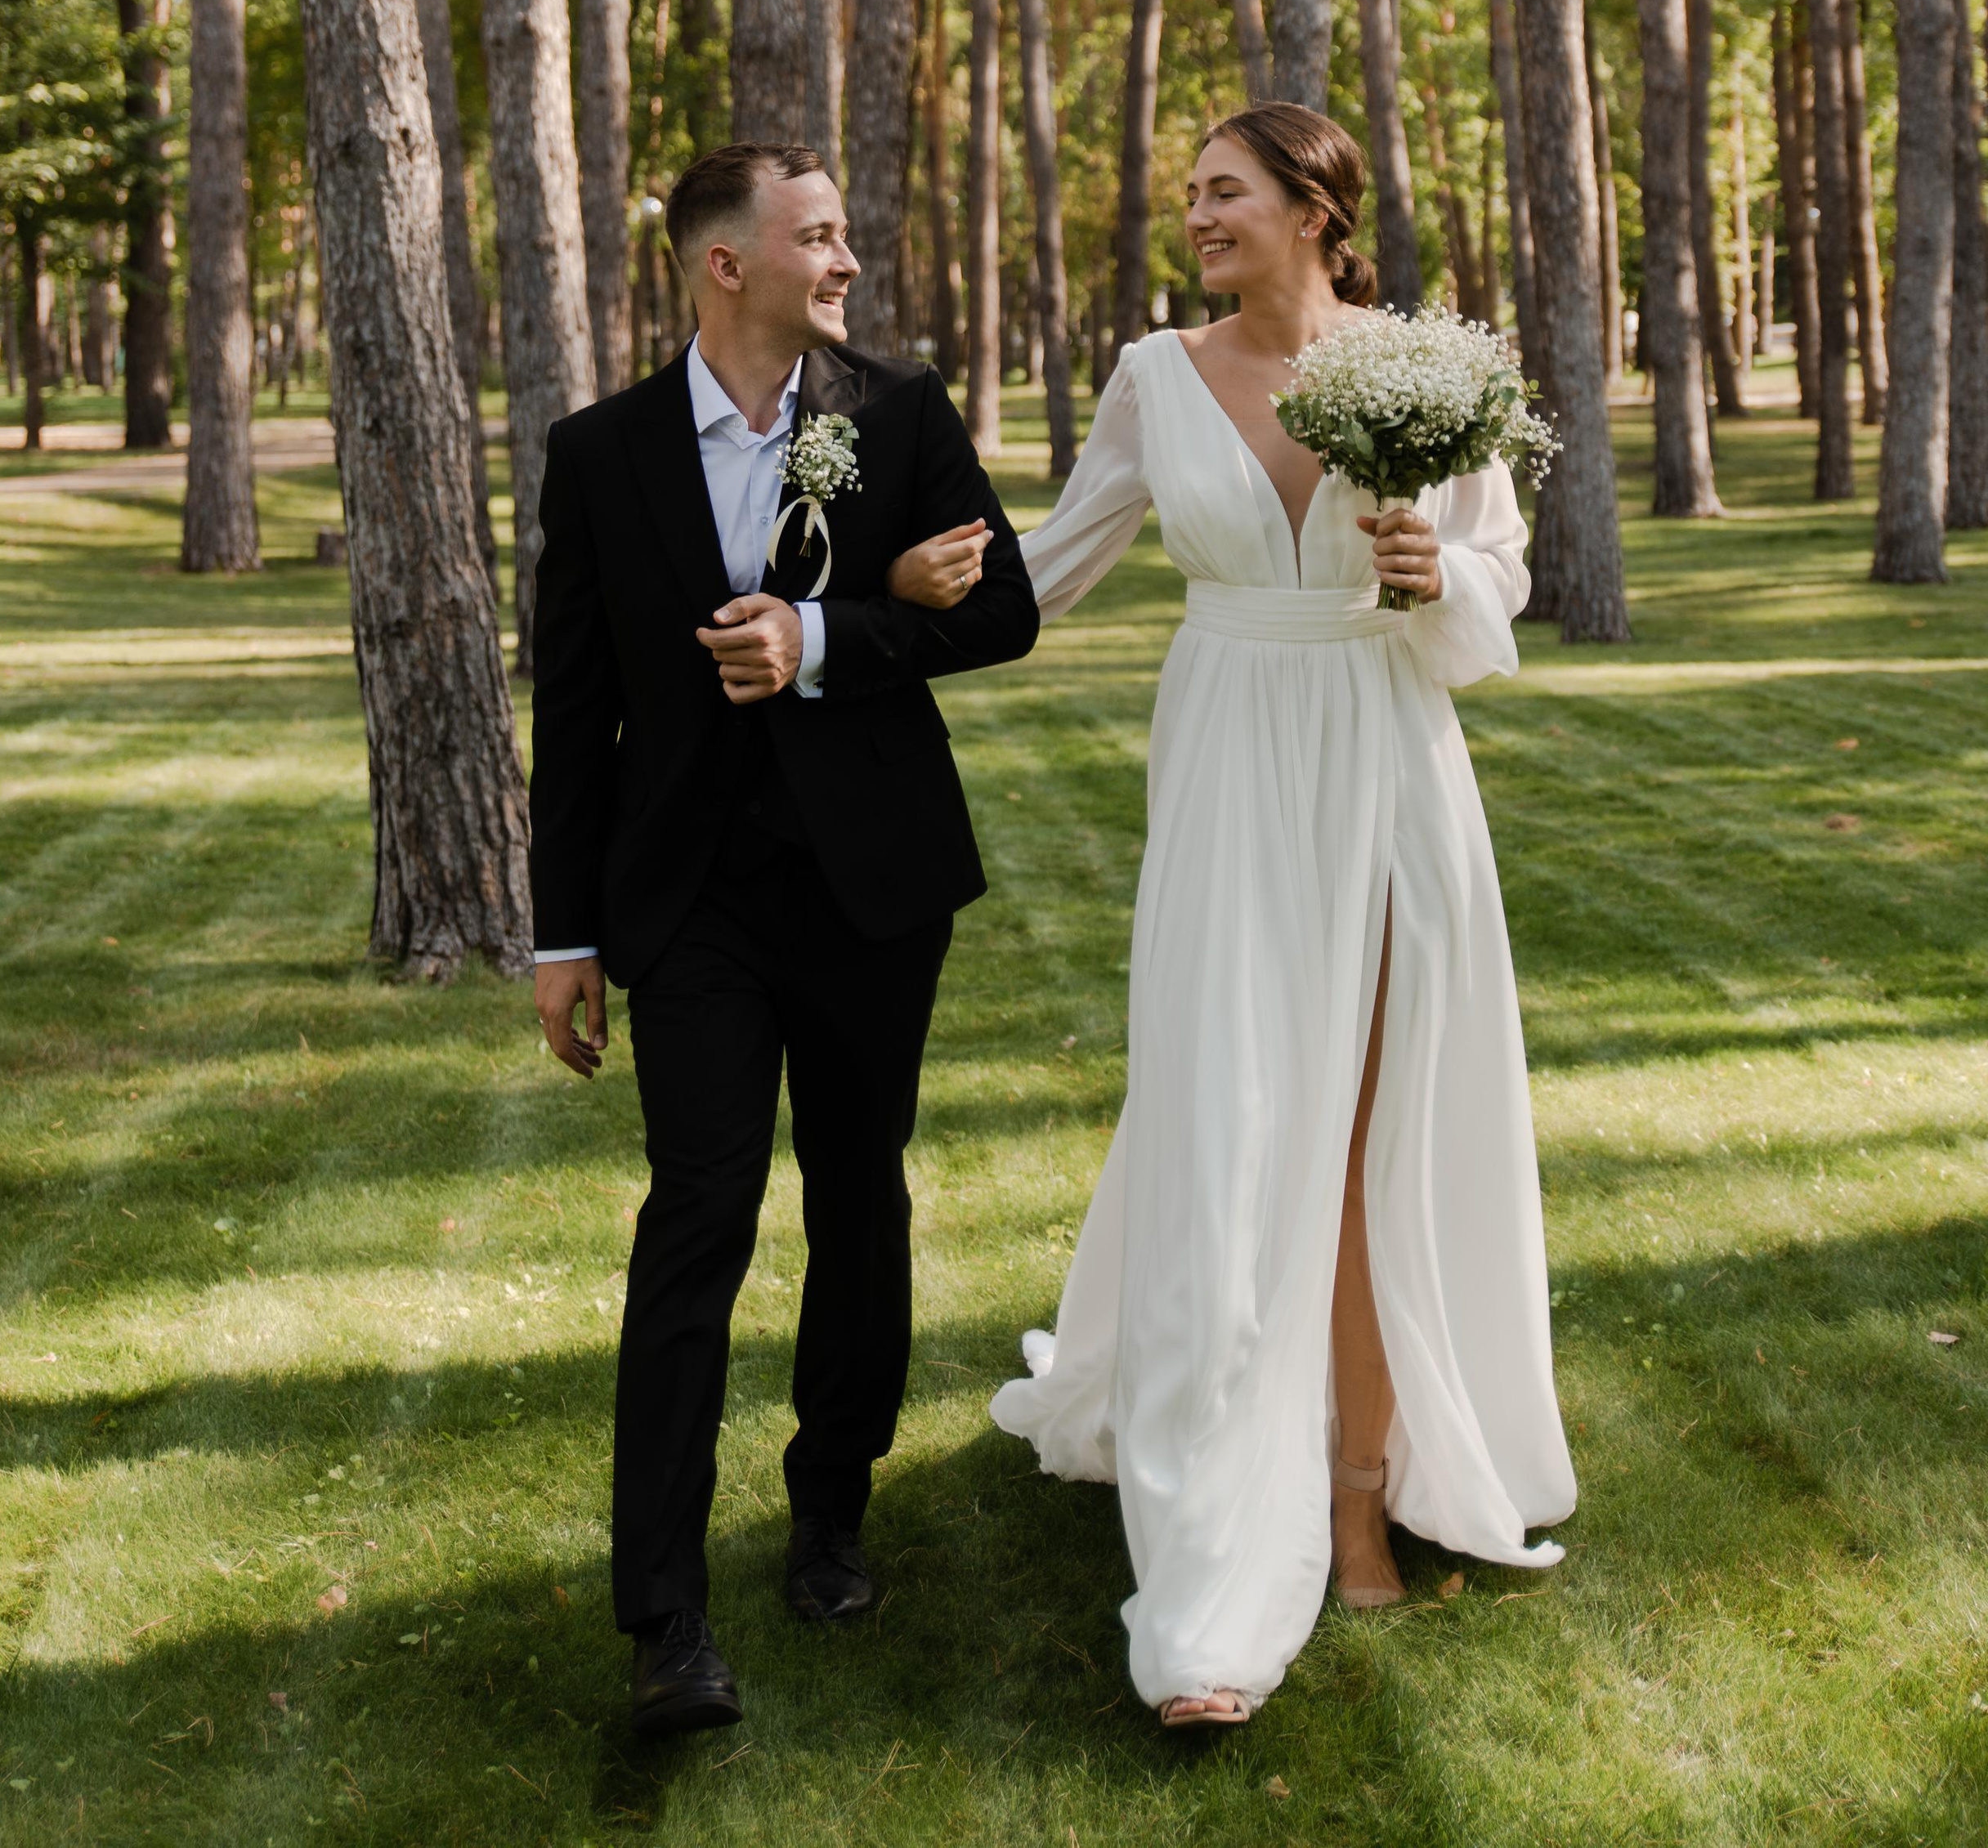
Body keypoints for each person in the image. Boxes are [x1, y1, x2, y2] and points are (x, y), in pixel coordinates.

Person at [921, 103, 1572, 1723]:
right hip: (1226, 764)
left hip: (1382, 762)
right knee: (1229, 1125)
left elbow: (1501, 578)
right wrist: (882, 602)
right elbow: (1049, 565)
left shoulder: (1427, 375)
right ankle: (1215, 1544)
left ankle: (1356, 1497)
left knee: (1361, 1137)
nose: (1194, 214)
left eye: (1223, 192)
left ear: (1311, 210)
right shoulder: (1155, 376)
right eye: (1190, 193)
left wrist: (1440, 577)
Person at [529, 141, 1037, 1740]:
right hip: (684, 900)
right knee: (697, 1216)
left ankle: (829, 1513)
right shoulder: (598, 452)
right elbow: (573, 711)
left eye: (843, 235)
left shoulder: (896, 416)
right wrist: (560, 935)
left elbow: (1002, 610)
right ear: (720, 264)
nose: (846, 264)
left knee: (857, 1199)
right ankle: (662, 1616)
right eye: (818, 237)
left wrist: (827, 633)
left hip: (869, 888)